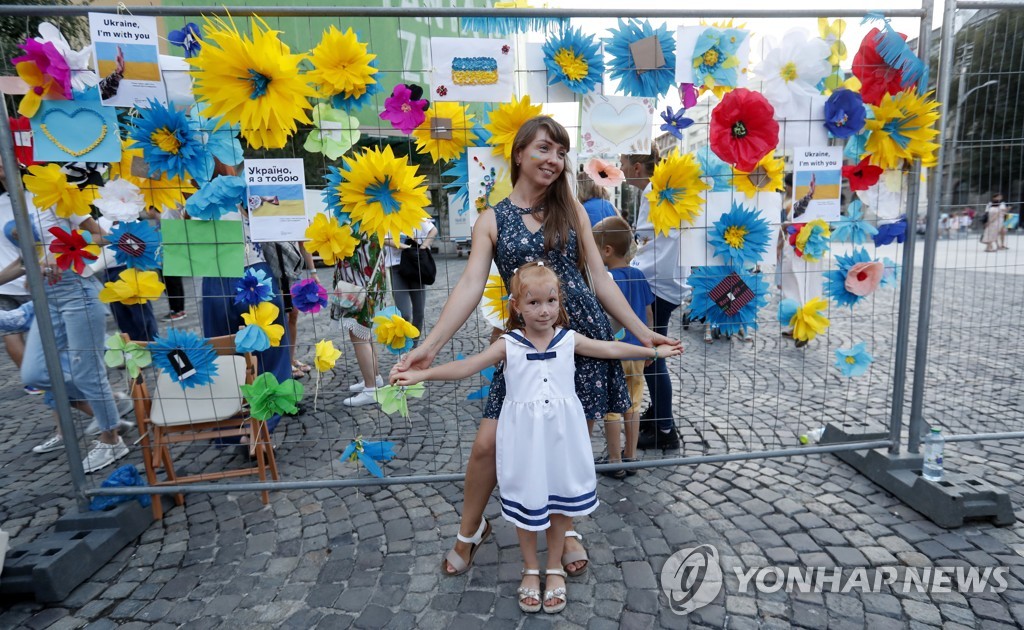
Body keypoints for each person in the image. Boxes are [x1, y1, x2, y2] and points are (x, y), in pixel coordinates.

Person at [393, 117, 678, 577]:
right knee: (488, 443)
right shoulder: (493, 219)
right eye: (545, 149)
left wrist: (640, 334)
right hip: (525, 344)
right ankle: (470, 533)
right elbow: (469, 286)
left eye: (561, 153)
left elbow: (600, 279)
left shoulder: (574, 210)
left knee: (564, 443)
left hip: (579, 341)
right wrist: (430, 347)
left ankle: (562, 531)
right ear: (521, 152)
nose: (553, 160)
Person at [393, 262, 681, 613]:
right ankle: (531, 568)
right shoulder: (508, 344)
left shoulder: (568, 340)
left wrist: (652, 350)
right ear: (515, 305)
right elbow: (468, 366)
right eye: (533, 303)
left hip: (563, 439)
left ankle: (554, 566)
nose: (543, 310)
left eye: (551, 301)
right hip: (524, 441)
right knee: (528, 501)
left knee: (560, 502)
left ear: (560, 302)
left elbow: (609, 349)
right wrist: (425, 375)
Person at [0, 163, 129, 473]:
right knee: (35, 375)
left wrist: (68, 250)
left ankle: (111, 439)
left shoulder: (58, 194)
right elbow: (24, 261)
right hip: (45, 299)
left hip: (76, 292)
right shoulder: (14, 205)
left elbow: (99, 235)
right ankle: (111, 401)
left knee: (87, 372)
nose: (2, 168)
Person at [620, 146, 685, 451]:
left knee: (652, 358)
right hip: (666, 282)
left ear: (635, 167)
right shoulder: (660, 189)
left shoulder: (652, 193)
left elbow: (648, 246)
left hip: (657, 284)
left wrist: (629, 275)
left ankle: (664, 429)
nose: (619, 168)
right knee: (653, 356)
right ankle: (660, 415)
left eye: (622, 162)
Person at [591, 216, 654, 479]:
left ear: (606, 251)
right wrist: (648, 343)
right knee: (634, 404)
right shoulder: (638, 275)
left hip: (614, 353)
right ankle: (631, 456)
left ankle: (614, 460)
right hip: (637, 352)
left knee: (612, 407)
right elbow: (648, 313)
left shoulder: (604, 280)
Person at [332, 237, 386, 407]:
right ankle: (374, 378)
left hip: (358, 285)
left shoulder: (354, 223)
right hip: (369, 283)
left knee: (359, 335)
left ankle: (371, 389)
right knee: (365, 333)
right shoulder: (373, 219)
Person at [779, 173, 821, 347]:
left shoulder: (796, 204)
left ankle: (802, 328)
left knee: (794, 286)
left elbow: (790, 224)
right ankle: (799, 327)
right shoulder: (816, 204)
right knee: (805, 285)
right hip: (809, 247)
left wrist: (784, 226)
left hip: (798, 246)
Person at [262, 240, 316, 378]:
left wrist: (313, 271)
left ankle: (290, 358)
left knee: (293, 314)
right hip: (272, 267)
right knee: (280, 316)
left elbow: (304, 242)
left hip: (292, 269)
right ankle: (283, 363)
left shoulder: (296, 218)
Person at [383, 217, 437, 342]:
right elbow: (384, 239)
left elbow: (433, 230)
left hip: (415, 265)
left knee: (419, 312)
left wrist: (423, 247)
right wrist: (406, 247)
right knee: (404, 314)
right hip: (397, 267)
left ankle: (413, 348)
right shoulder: (387, 215)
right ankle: (403, 347)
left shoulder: (415, 213)